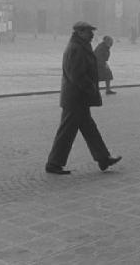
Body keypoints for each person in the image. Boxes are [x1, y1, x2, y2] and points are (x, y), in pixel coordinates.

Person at [45, 21, 122, 175]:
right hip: (75, 97)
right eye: (88, 31)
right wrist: (91, 89)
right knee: (67, 131)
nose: (92, 34)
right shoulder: (76, 48)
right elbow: (77, 75)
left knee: (89, 129)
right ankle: (53, 163)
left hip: (78, 97)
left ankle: (103, 158)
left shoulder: (80, 46)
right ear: (79, 32)